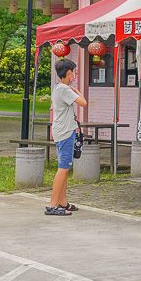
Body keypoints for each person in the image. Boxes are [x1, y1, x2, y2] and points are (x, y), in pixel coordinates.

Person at [47, 58, 87, 216]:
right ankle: (53, 204)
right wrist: (76, 90)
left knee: (64, 167)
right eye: (74, 71)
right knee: (63, 168)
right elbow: (83, 103)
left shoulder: (58, 88)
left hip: (62, 131)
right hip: (65, 132)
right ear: (69, 72)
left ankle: (62, 202)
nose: (74, 74)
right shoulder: (65, 89)